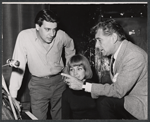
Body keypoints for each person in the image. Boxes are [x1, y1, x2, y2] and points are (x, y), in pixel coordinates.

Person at [61, 19, 147, 120]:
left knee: (104, 102)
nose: (97, 45)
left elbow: (118, 91)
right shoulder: (117, 54)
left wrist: (83, 86)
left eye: (99, 40)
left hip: (139, 108)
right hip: (126, 101)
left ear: (114, 38)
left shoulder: (133, 55)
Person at [9, 9, 76, 120]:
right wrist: (13, 96)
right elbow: (18, 67)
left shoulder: (61, 35)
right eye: (47, 29)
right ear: (37, 26)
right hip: (38, 85)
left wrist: (68, 67)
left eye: (54, 29)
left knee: (60, 117)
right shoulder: (24, 37)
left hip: (59, 82)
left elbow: (70, 45)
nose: (52, 34)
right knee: (38, 118)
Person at [62, 54, 98, 119]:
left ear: (86, 70)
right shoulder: (66, 93)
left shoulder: (94, 88)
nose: (75, 73)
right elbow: (65, 117)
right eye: (71, 69)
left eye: (79, 69)